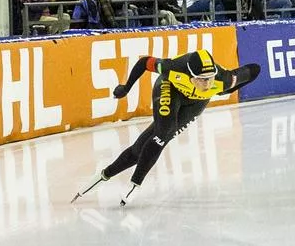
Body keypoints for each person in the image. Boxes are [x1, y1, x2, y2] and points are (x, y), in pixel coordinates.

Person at [71, 50, 260, 206]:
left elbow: (254, 69)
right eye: (202, 79)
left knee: (142, 149)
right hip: (169, 89)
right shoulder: (172, 68)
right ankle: (135, 183)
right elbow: (144, 62)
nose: (208, 83)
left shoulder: (223, 80)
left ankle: (105, 175)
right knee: (163, 132)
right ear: (191, 75)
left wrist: (229, 89)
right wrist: (126, 87)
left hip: (195, 103)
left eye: (210, 78)